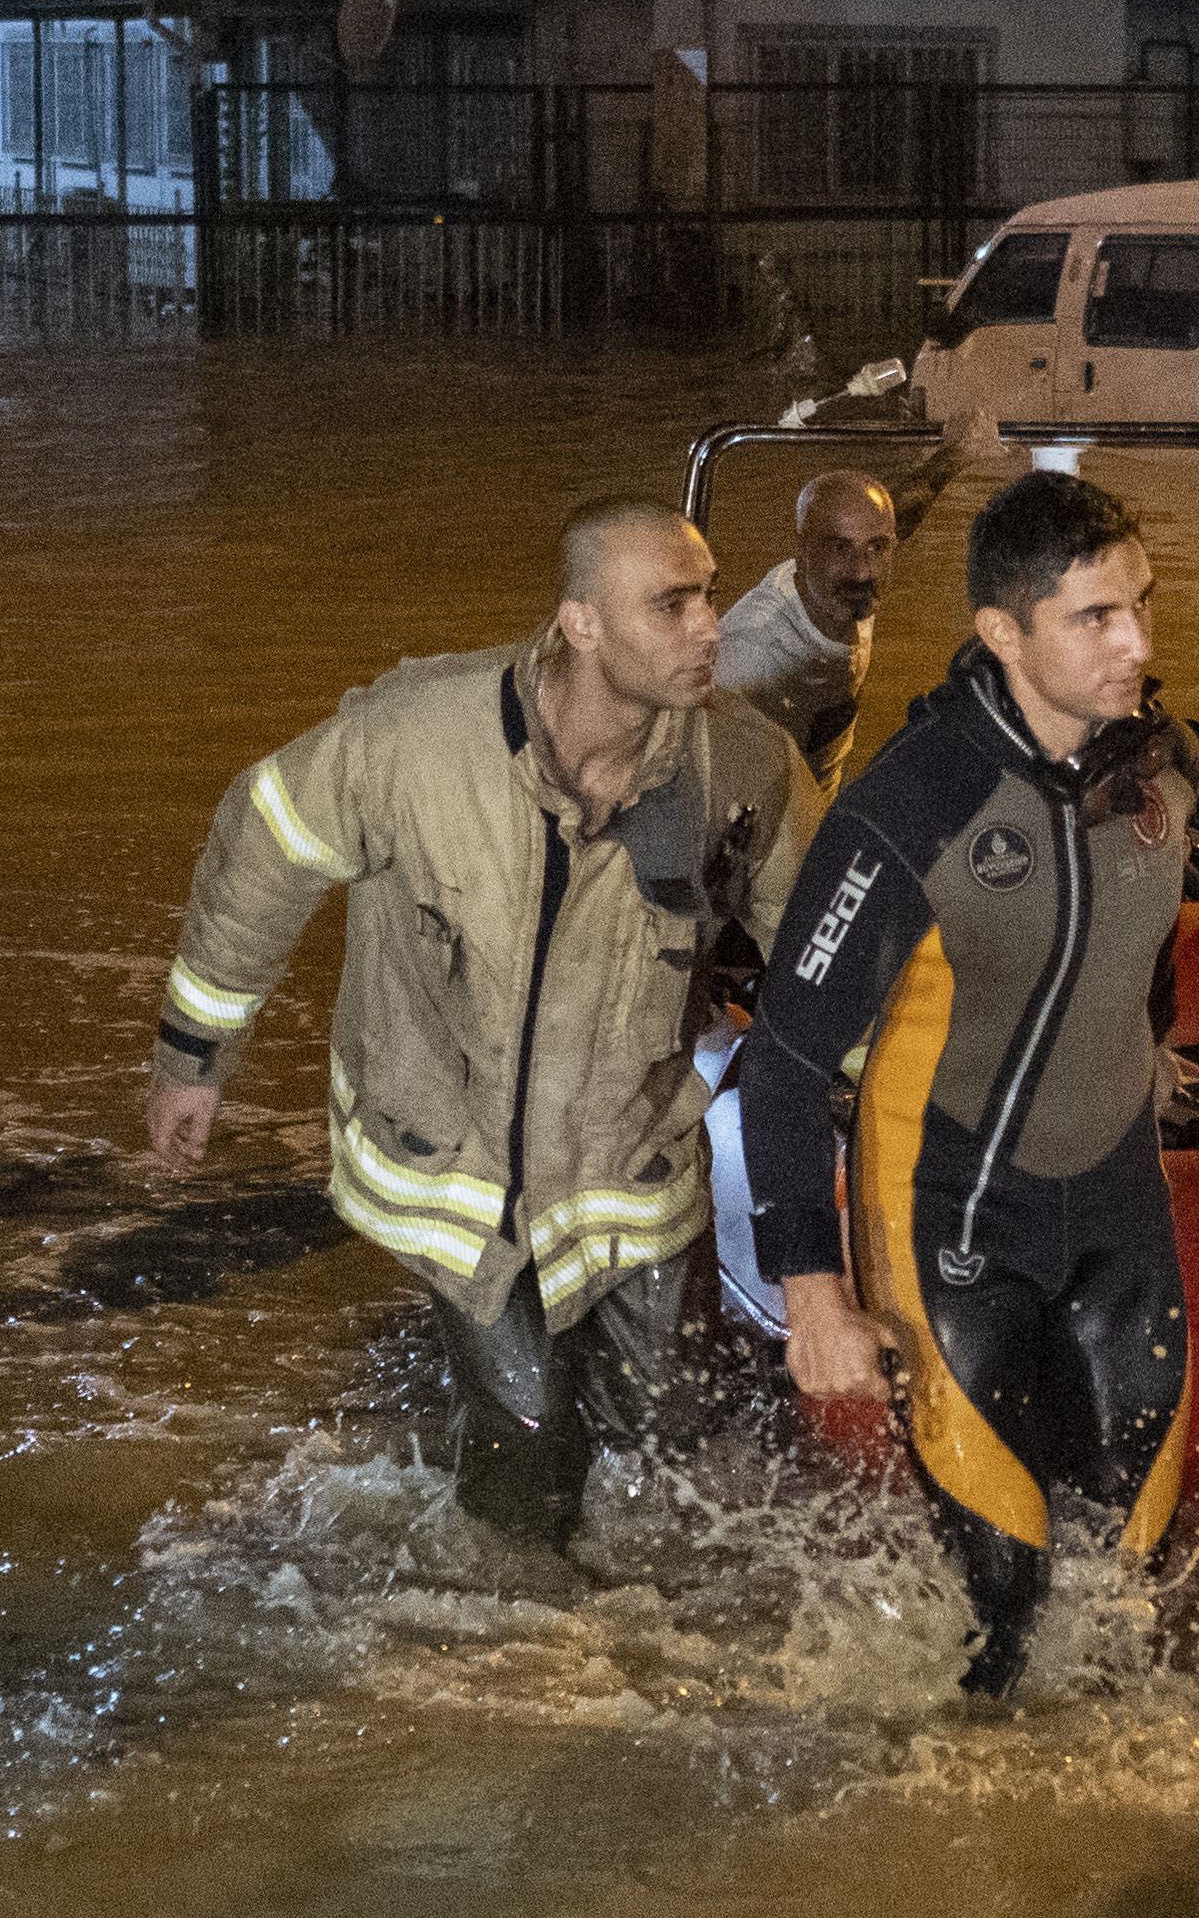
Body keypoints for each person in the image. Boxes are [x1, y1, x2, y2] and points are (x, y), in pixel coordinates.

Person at [140, 497, 815, 1557]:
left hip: (626, 1168)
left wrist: (913, 1110)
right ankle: (521, 1664)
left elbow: (824, 946)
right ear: (580, 623)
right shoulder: (412, 744)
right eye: (671, 603)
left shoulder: (743, 768)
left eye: (710, 596)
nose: (708, 627)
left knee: (667, 1443)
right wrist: (193, 1057)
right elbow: (263, 840)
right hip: (456, 1165)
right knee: (528, 1451)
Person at [736, 471, 1199, 1699]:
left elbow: (1148, 937)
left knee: (1133, 1589)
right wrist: (813, 1292)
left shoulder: (1172, 766)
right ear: (1002, 634)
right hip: (948, 1217)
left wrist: (1147, 1045)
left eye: (1140, 605)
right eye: (1095, 618)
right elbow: (782, 1057)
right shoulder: (910, 803)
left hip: (1117, 1216)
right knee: (1006, 1599)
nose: (1137, 643)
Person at [715, 453, 963, 791]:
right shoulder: (750, 655)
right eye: (839, 548)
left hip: (822, 801)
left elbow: (902, 513)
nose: (861, 572)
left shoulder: (843, 591)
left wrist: (956, 455)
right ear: (801, 547)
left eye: (877, 547)